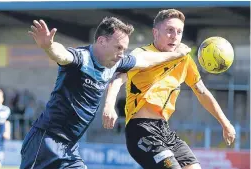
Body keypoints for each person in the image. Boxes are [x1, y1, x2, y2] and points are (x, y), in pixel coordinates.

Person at [20, 16, 191, 169]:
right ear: (101, 41)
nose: (121, 54)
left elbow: (146, 60)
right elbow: (62, 55)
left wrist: (175, 54)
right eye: (118, 47)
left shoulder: (116, 62)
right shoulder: (81, 58)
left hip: (70, 147)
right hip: (45, 142)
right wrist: (48, 46)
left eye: (124, 49)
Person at [102, 9, 236, 169]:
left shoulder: (184, 59)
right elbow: (117, 79)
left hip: (164, 130)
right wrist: (109, 106)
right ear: (155, 32)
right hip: (140, 130)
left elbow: (202, 92)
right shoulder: (143, 55)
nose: (175, 36)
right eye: (170, 30)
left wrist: (225, 123)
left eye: (179, 32)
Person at [0, 88, 11, 169]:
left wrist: (7, 132)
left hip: (0, 141)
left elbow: (7, 122)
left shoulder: (6, 110)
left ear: (2, 99)